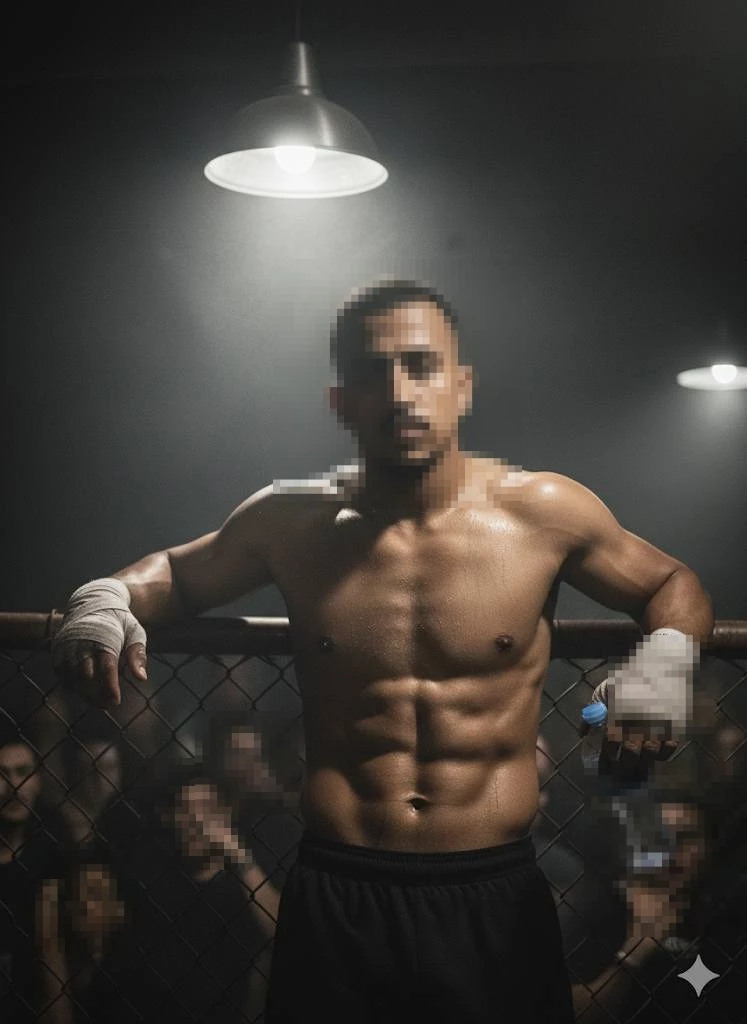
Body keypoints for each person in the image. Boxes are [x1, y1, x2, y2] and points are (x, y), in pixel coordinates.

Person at [51, 278, 714, 1023]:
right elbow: (171, 572)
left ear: (460, 387)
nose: (400, 392)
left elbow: (671, 582)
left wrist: (661, 669)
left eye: (421, 365)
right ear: (341, 401)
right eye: (374, 370)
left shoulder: (542, 512)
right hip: (339, 887)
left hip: (491, 888)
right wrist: (101, 603)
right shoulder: (291, 522)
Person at [0, 727, 68, 1023]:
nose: (13, 784)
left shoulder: (46, 850)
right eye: (2, 774)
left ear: (38, 781)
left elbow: (49, 943)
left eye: (23, 771)